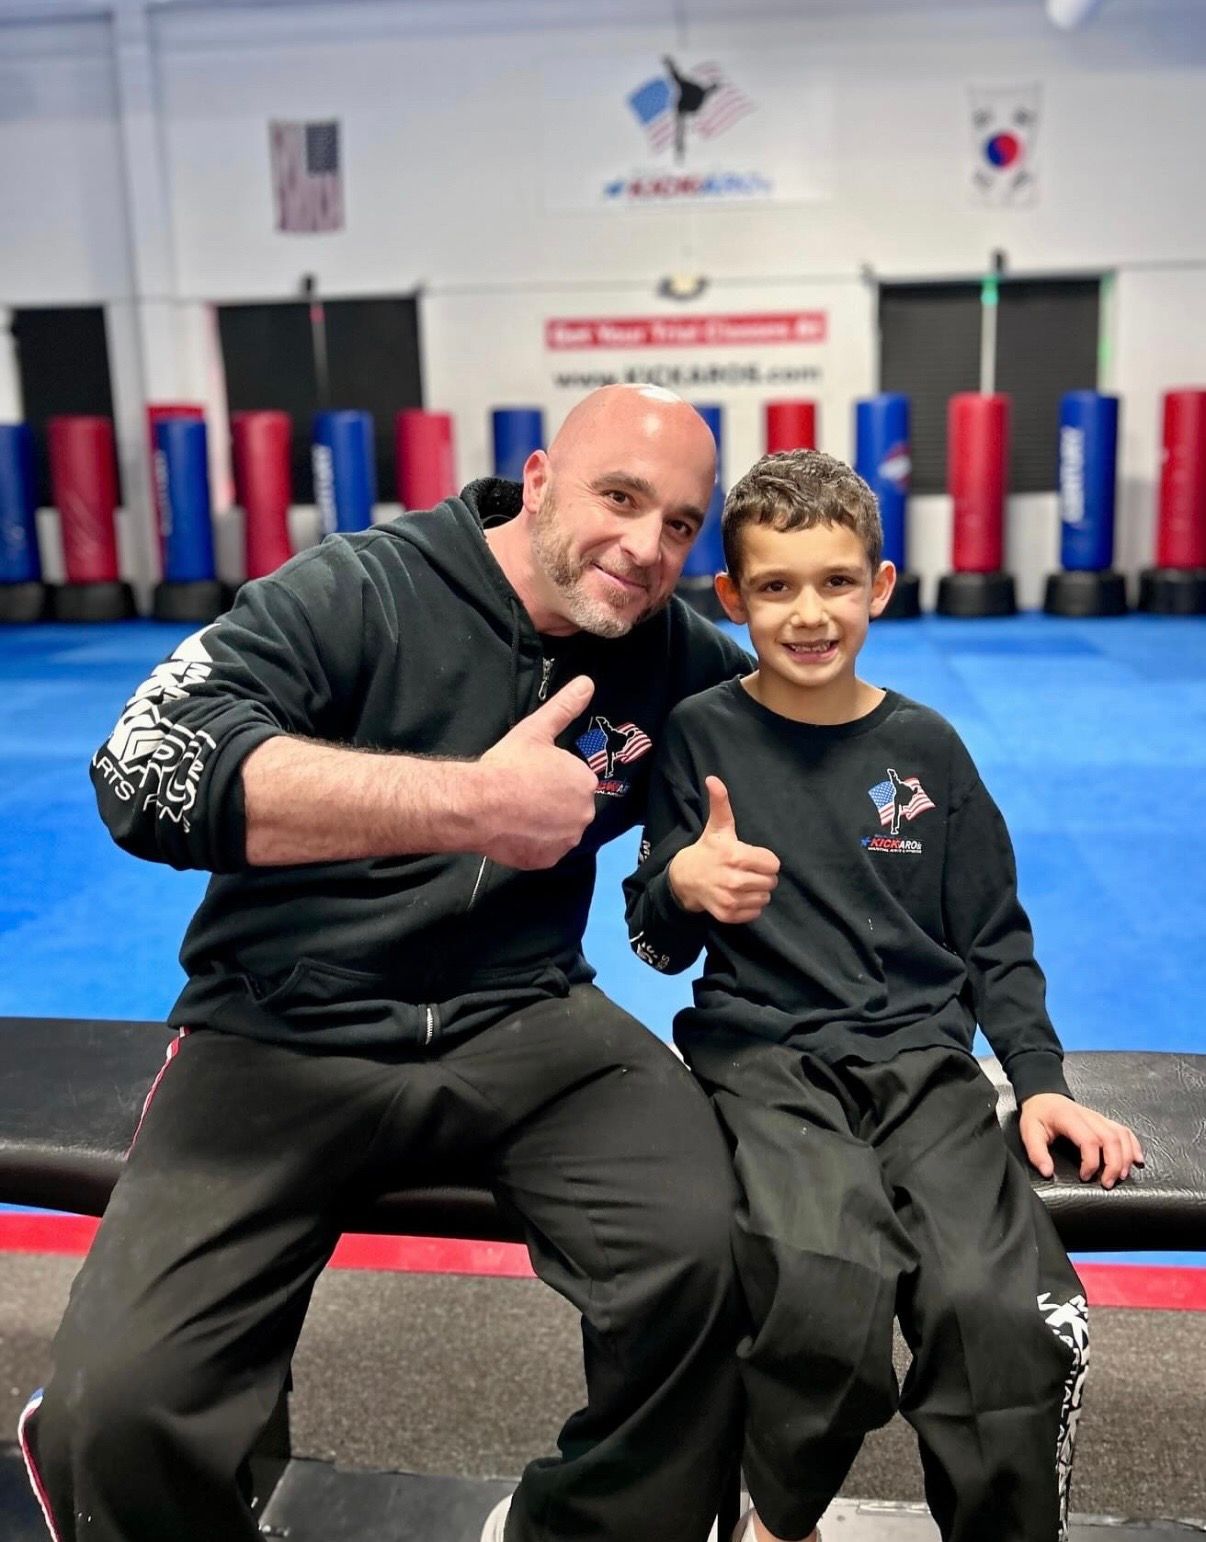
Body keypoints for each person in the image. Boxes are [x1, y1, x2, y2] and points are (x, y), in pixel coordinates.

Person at [20, 385, 753, 1542]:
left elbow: (820, 745)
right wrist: (470, 804)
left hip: (525, 1020)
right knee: (117, 1410)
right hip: (282, 1025)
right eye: (620, 498)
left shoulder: (673, 657)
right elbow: (142, 763)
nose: (645, 546)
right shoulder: (362, 588)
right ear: (542, 477)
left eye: (678, 524)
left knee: (712, 1262)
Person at [623, 449, 1143, 1542]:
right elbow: (655, 939)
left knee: (999, 1310)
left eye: (835, 583)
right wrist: (681, 883)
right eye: (775, 587)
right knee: (823, 1282)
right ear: (732, 596)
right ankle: (783, 1513)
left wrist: (1039, 1082)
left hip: (925, 1071)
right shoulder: (702, 737)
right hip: (766, 1063)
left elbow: (994, 935)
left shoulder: (926, 751)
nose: (809, 614)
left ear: (881, 587)